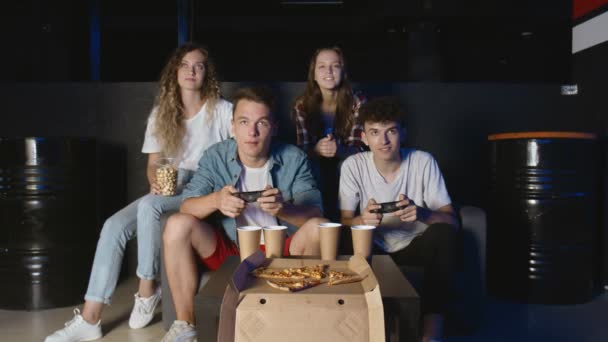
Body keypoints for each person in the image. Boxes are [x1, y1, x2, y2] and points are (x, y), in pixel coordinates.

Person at [45, 43, 233, 342]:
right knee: (113, 226)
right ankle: (90, 317)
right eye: (184, 65)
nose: (191, 71)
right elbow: (153, 164)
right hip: (170, 183)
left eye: (198, 66)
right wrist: (156, 182)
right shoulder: (161, 113)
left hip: (204, 184)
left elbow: (235, 156)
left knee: (149, 208)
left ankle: (147, 288)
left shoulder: (222, 110)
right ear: (175, 71)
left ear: (206, 73)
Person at [161, 86, 325, 342]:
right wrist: (217, 200)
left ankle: (304, 317)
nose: (252, 132)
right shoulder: (216, 156)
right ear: (233, 127)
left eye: (262, 123)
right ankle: (186, 325)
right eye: (244, 122)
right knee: (177, 224)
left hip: (282, 254)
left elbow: (316, 212)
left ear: (274, 127)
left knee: (319, 228)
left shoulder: (294, 158)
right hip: (232, 255)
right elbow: (186, 205)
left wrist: (284, 209)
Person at [338, 97, 459, 342]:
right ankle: (352, 329)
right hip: (373, 245)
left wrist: (423, 214)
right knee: (340, 235)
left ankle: (431, 335)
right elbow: (345, 221)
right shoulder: (353, 165)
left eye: (390, 131)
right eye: (375, 132)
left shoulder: (423, 161)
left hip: (415, 244)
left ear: (402, 133)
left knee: (444, 235)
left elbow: (453, 222)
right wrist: (364, 220)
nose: (383, 141)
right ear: (364, 137)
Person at [291, 46, 367, 221]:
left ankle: (347, 224)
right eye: (322, 66)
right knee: (313, 166)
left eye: (335, 66)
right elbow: (300, 153)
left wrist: (339, 150)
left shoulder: (357, 102)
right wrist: (317, 150)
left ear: (343, 72)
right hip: (316, 165)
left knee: (346, 165)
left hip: (348, 162)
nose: (329, 71)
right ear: (314, 75)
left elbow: (361, 150)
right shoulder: (302, 105)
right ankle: (318, 224)